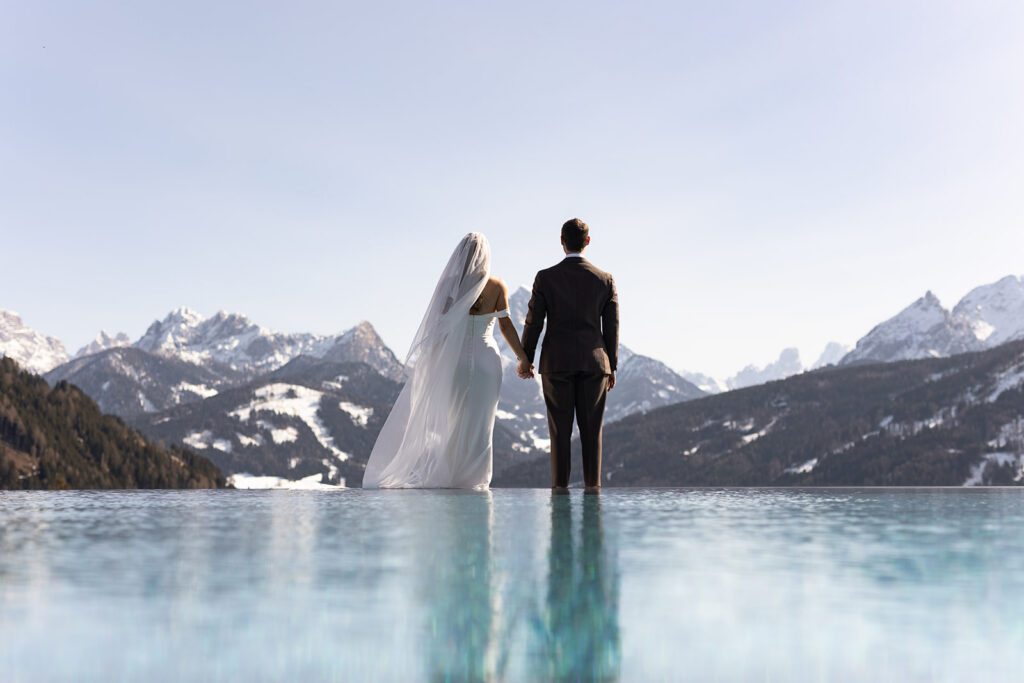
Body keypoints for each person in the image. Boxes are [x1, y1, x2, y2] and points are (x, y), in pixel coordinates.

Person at [362, 232, 531, 489]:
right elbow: (506, 327)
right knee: (482, 422)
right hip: (487, 361)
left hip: (456, 362)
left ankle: (451, 476)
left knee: (454, 420)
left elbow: (438, 329)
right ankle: (476, 479)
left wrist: (431, 364)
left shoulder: (449, 285)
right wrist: (524, 359)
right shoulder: (497, 286)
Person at [520, 218, 618, 490]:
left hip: (556, 363)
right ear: (587, 242)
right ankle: (592, 492)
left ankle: (559, 493)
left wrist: (526, 358)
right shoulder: (605, 280)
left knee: (559, 433)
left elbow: (534, 322)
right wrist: (612, 366)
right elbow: (612, 327)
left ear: (561, 241)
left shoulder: (545, 277)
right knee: (592, 434)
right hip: (595, 364)